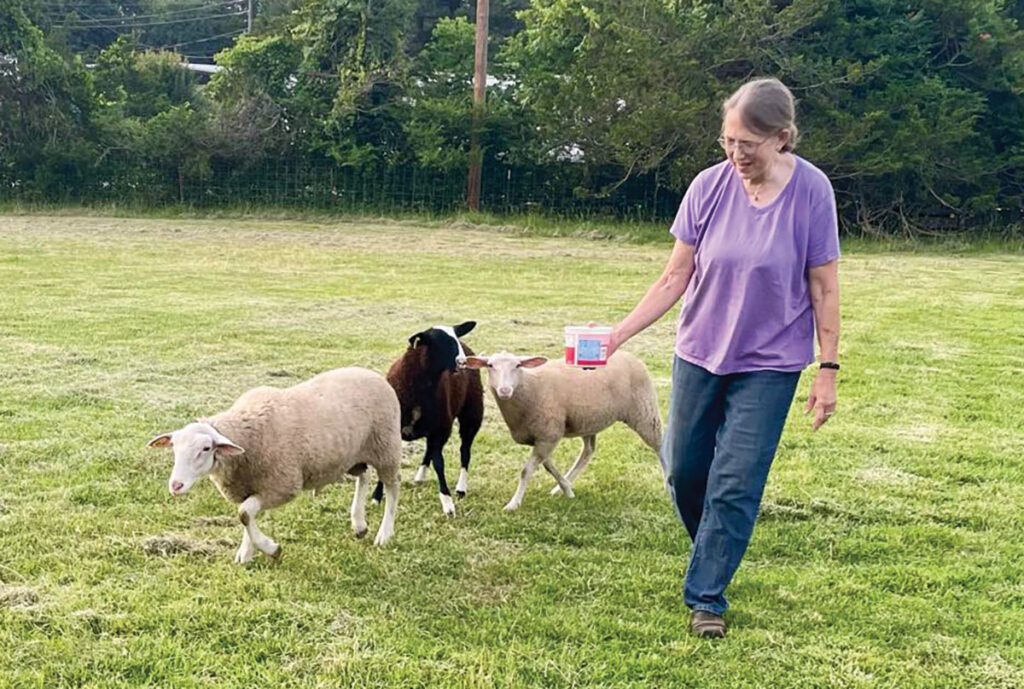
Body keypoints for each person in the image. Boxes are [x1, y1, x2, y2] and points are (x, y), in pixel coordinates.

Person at [606, 78, 841, 638]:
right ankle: (716, 546)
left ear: (782, 138)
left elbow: (824, 286)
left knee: (735, 481)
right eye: (728, 141)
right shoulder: (708, 188)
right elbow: (674, 277)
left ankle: (706, 596)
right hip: (699, 352)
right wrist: (618, 335)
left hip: (771, 362)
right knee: (683, 469)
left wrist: (827, 368)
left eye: (748, 145)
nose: (736, 154)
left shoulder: (812, 192)